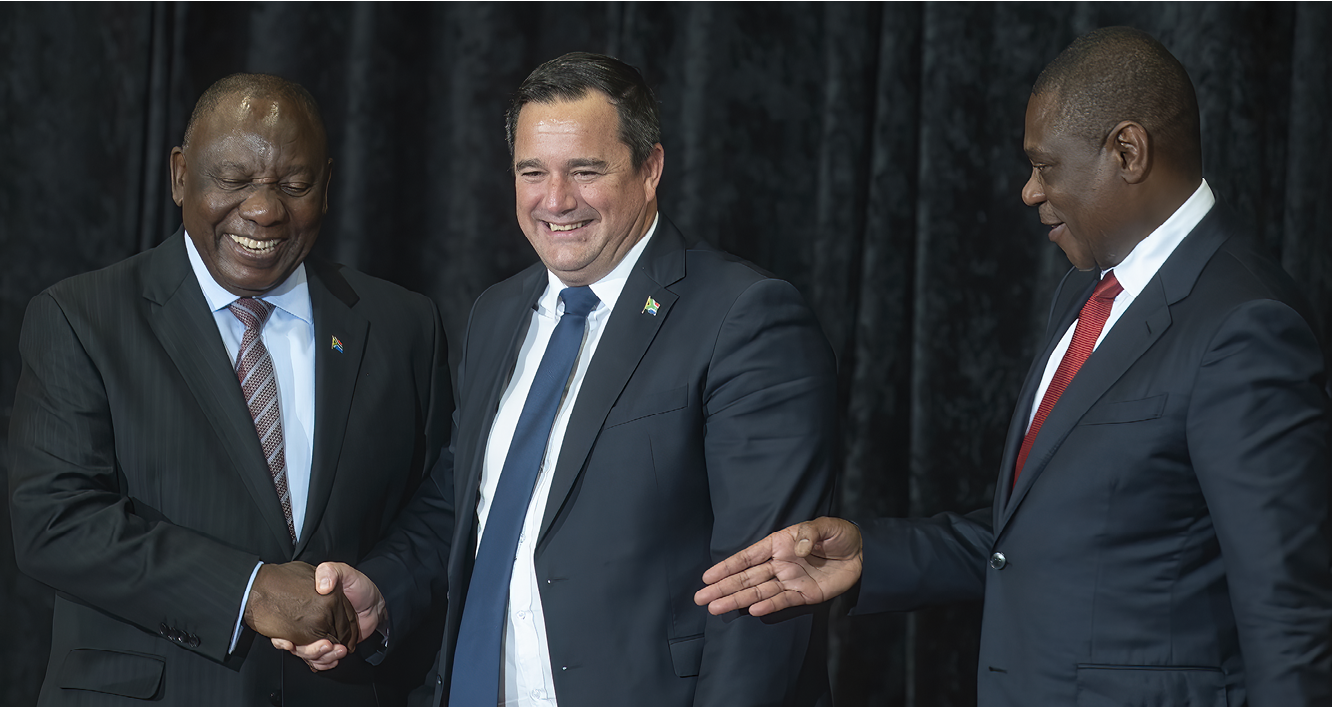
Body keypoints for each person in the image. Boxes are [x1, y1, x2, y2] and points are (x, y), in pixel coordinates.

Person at [695, 26, 1332, 707]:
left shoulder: (1244, 323)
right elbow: (1037, 535)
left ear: (1128, 150)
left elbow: (1288, 615)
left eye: (1046, 166)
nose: (1029, 191)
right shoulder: (1084, 292)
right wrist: (865, 559)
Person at [279, 52, 839, 706]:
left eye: (585, 170)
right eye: (532, 172)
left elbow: (762, 593)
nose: (556, 200)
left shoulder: (744, 317)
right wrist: (383, 588)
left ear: (650, 168)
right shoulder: (497, 312)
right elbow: (466, 499)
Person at [8, 74, 452, 706]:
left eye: (294, 185)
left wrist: (381, 589)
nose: (265, 210)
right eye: (234, 180)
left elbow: (442, 503)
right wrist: (251, 591)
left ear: (327, 186)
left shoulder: (404, 324)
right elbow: (56, 522)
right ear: (180, 175)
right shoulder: (81, 318)